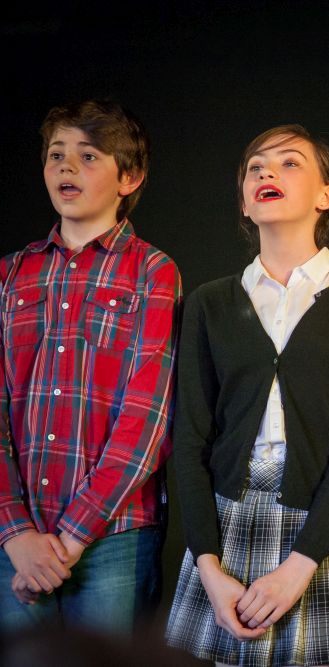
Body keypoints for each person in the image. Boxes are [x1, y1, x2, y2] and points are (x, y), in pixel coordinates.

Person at [164, 125, 329, 666]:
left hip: (321, 528)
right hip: (227, 527)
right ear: (245, 203)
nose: (267, 172)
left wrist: (300, 564)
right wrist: (209, 566)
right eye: (255, 168)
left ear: (327, 195)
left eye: (289, 163)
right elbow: (191, 439)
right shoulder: (210, 303)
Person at [0, 100, 180, 635]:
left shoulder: (152, 271)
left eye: (88, 155)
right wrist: (16, 533)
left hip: (114, 535)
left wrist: (72, 538)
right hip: (15, 538)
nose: (66, 166)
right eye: (56, 154)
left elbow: (149, 419)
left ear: (129, 177)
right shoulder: (11, 275)